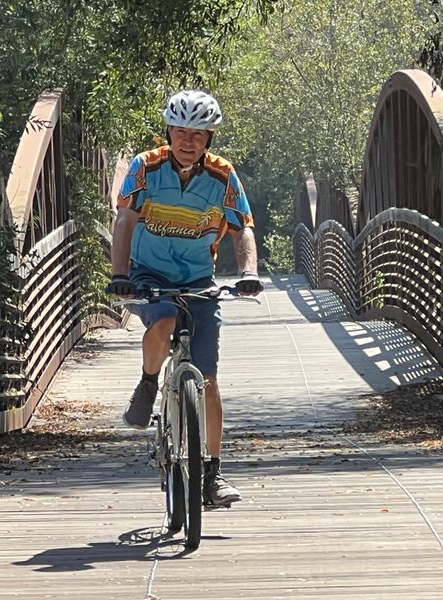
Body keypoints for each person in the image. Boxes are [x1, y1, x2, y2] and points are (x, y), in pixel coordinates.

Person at [106, 89, 263, 507]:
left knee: (208, 381)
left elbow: (241, 227)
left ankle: (211, 474)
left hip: (198, 279)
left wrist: (248, 273)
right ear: (168, 132)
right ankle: (147, 382)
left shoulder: (222, 176)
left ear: (209, 138)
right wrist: (120, 274)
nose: (187, 140)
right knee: (164, 322)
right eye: (179, 130)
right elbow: (125, 218)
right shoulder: (146, 166)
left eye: (197, 132)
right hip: (147, 274)